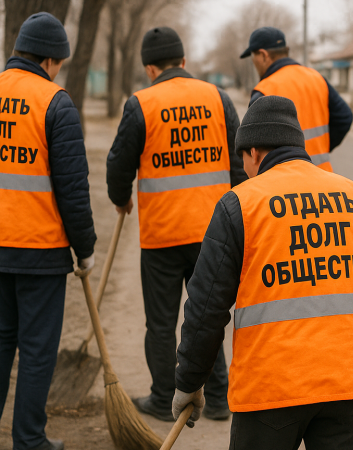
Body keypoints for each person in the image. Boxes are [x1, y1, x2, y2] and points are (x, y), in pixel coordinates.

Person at [171, 96, 353, 449]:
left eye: (242, 159)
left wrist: (189, 380)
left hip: (270, 387)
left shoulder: (240, 204)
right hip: (349, 383)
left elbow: (206, 309)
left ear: (254, 152)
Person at [105, 26, 246, 422]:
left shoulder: (141, 104)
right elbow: (239, 164)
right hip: (214, 236)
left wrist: (121, 198)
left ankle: (163, 397)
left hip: (162, 237)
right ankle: (218, 399)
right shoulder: (218, 98)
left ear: (150, 68)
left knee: (162, 324)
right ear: (183, 61)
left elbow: (118, 165)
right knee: (209, 317)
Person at [0, 12, 96, 450]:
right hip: (39, 251)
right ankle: (29, 440)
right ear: (50, 60)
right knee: (37, 350)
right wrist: (84, 248)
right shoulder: (55, 102)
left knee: (1, 342)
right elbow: (73, 190)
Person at [240, 27, 352, 172]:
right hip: (321, 175)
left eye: (253, 57)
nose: (253, 62)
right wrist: (321, 148)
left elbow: (252, 149)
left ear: (263, 55)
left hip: (283, 181)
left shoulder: (264, 90)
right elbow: (345, 117)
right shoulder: (316, 78)